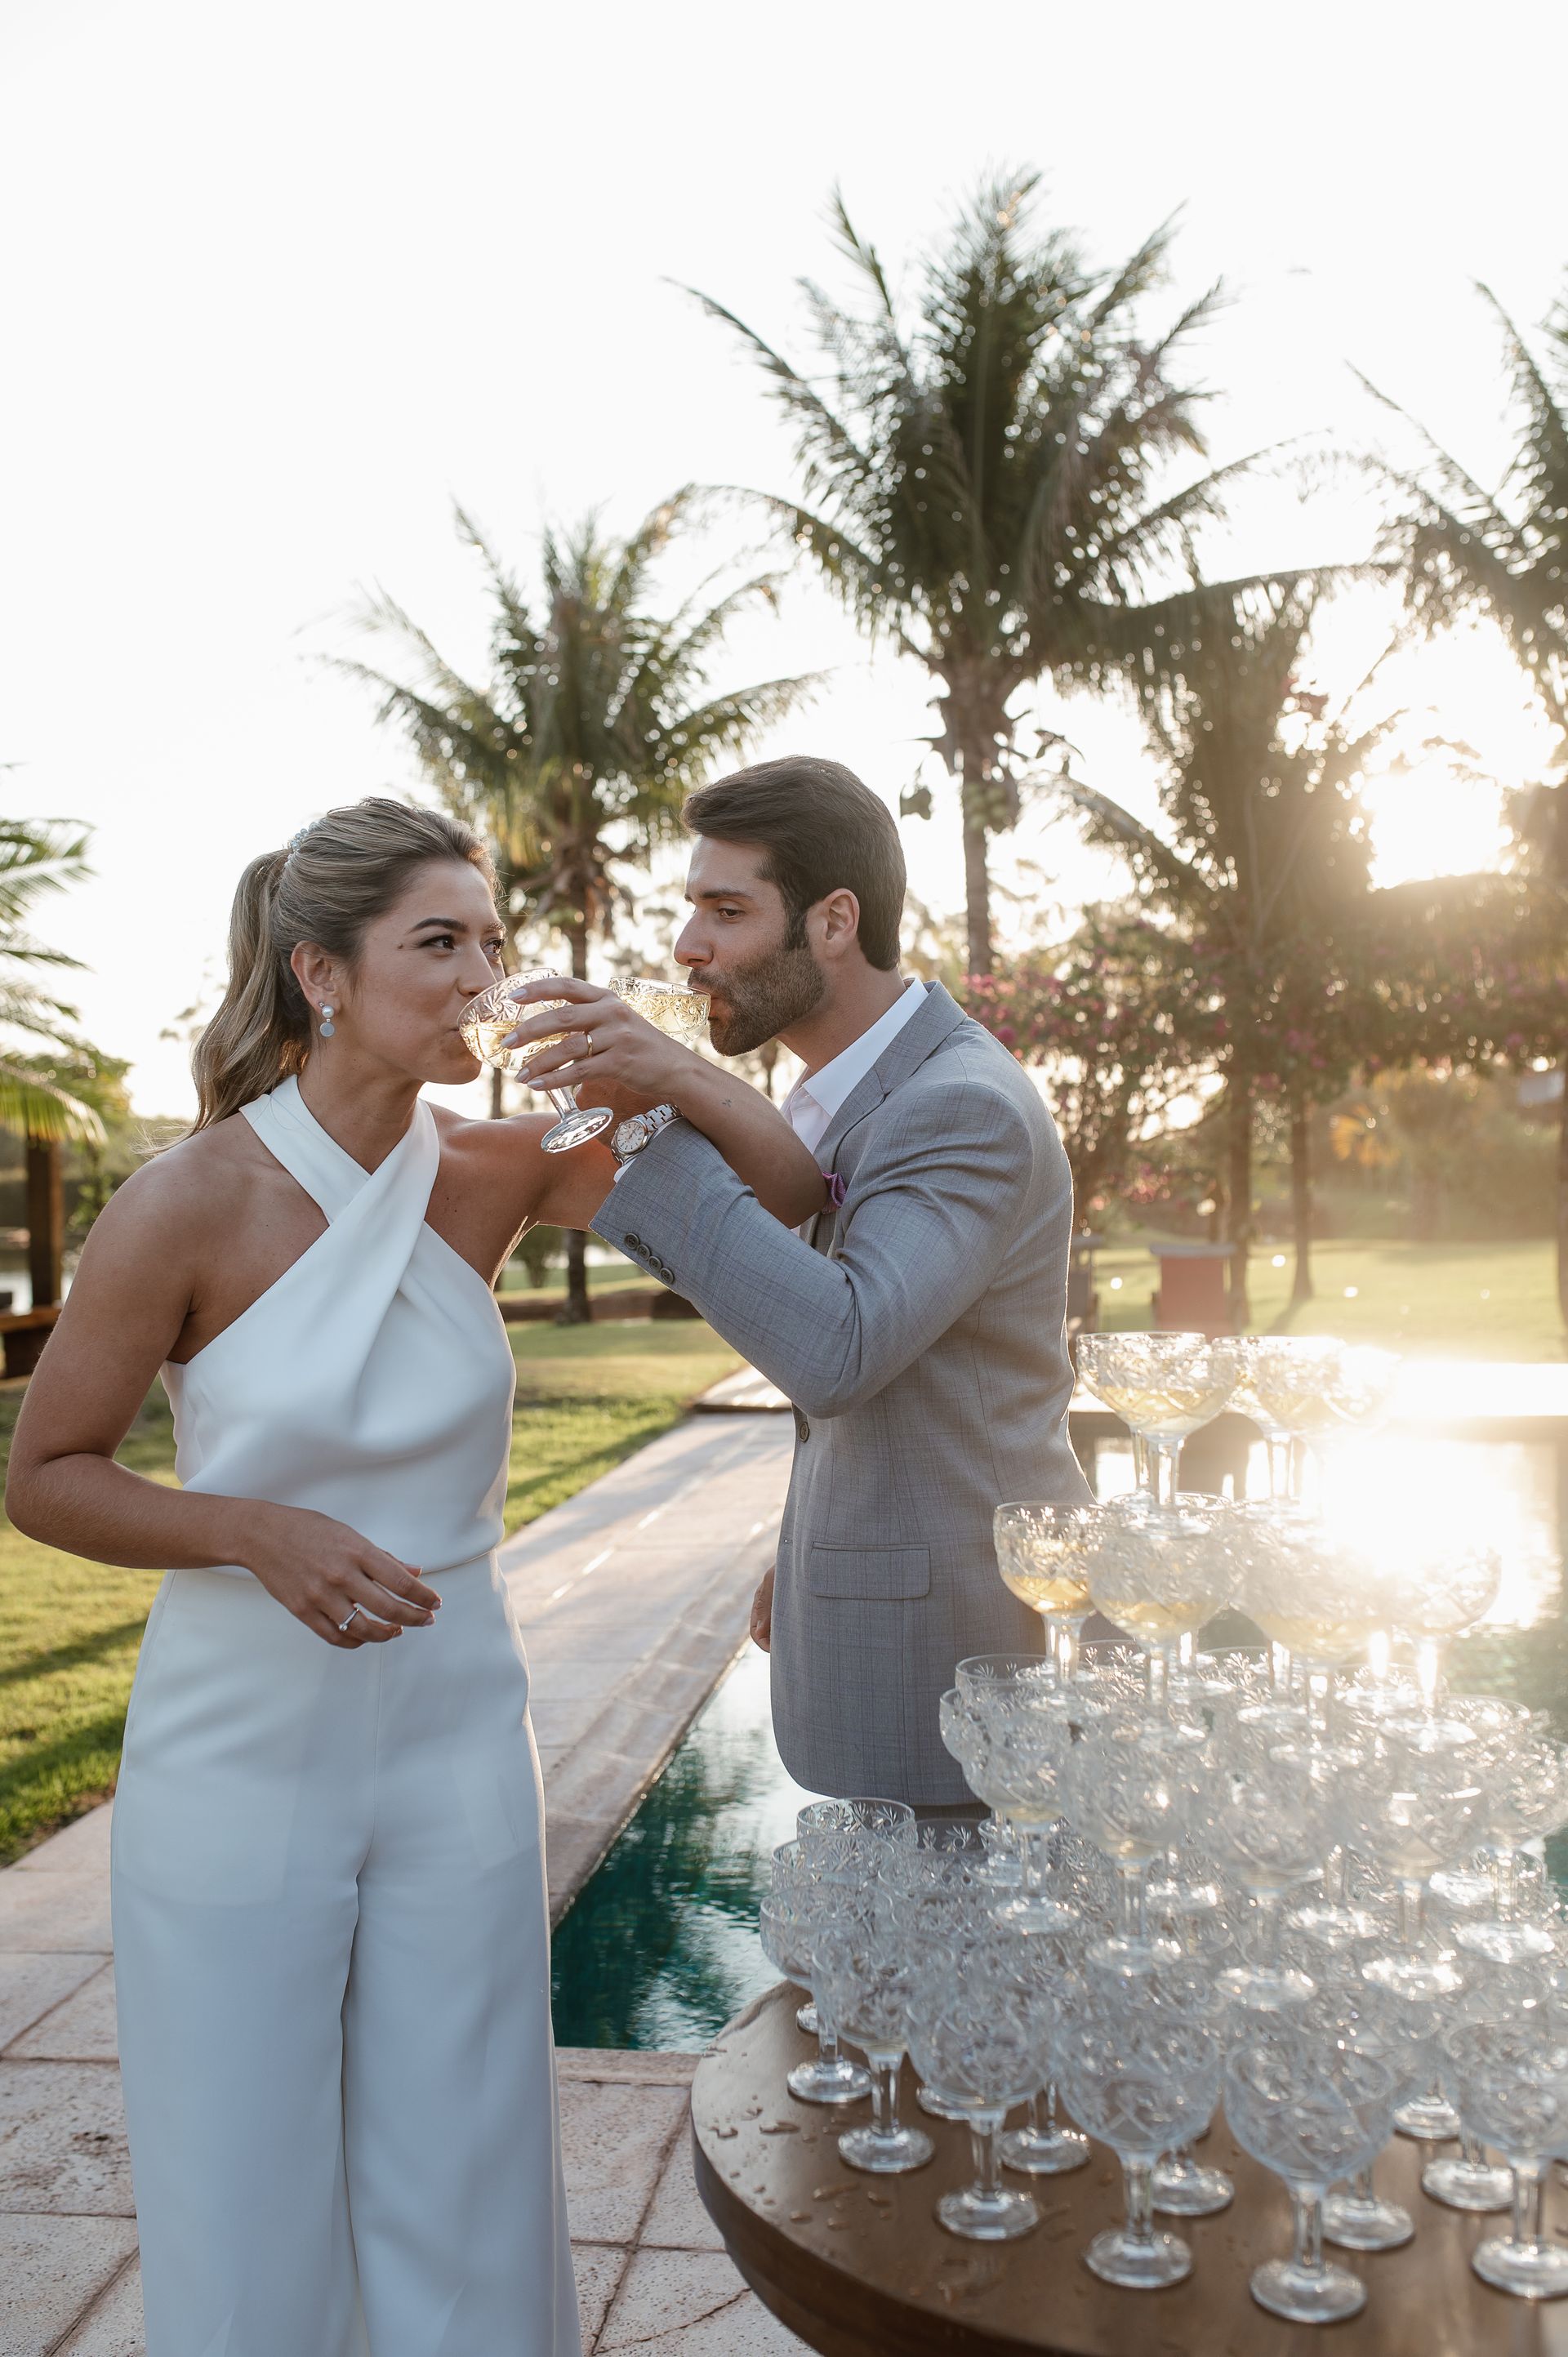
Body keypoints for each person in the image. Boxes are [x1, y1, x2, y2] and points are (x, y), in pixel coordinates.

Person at [4, 797, 824, 2357]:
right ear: (321, 972)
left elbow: (783, 1195)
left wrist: (659, 1064)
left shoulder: (504, 1168)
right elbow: (47, 1477)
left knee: (466, 2157)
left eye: (492, 943)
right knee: (242, 2176)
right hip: (237, 1748)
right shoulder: (186, 1202)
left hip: (457, 1732)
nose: (478, 977)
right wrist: (252, 1527)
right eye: (436, 943)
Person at [509, 755, 1093, 1811]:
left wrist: (660, 1114)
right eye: (692, 909)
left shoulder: (959, 1105)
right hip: (884, 1630)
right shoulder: (843, 1097)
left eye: (726, 911)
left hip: (963, 1668)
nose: (689, 947)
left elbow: (840, 1347)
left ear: (833, 921)